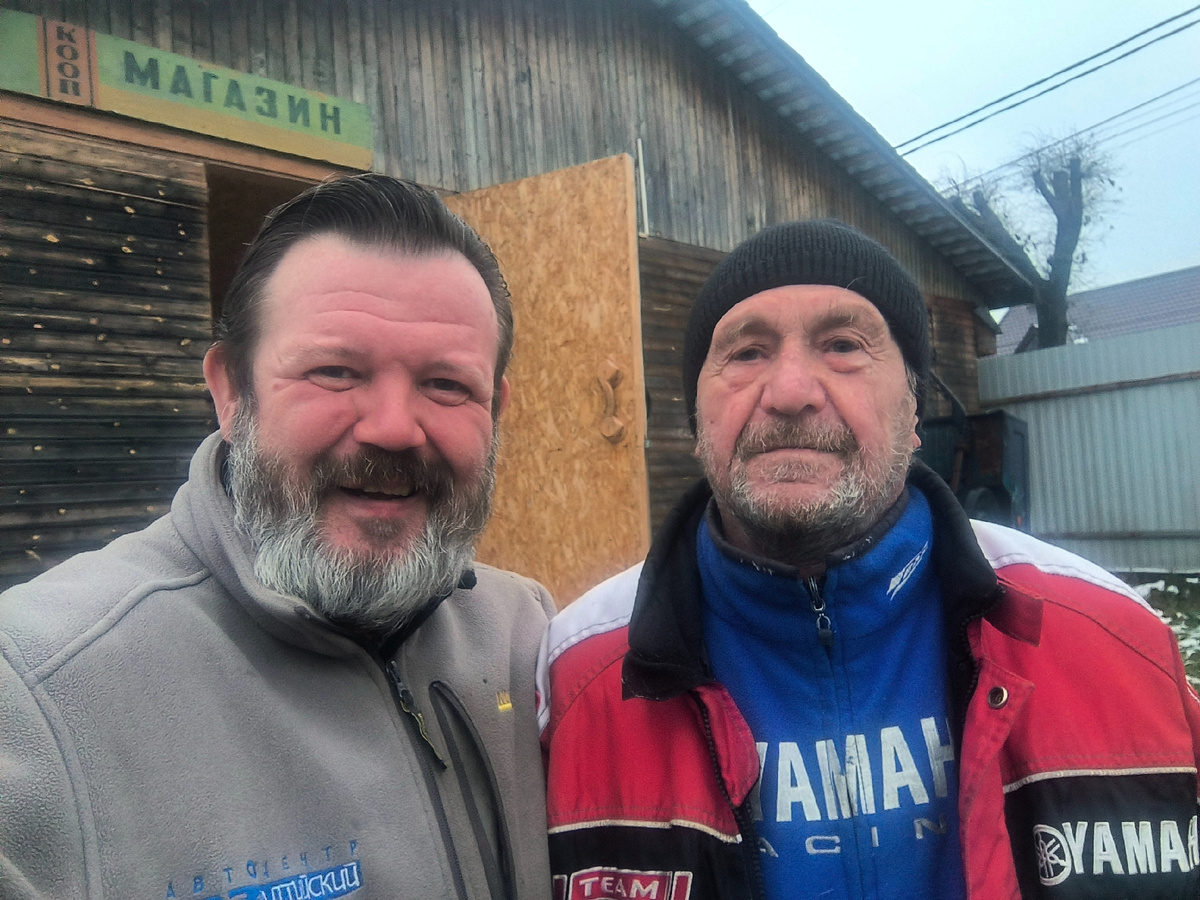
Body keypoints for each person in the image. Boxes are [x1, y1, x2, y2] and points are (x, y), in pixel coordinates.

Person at [538, 220, 1200, 899]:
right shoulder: (575, 680)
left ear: (913, 412)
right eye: (746, 353)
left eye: (843, 346)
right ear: (695, 421)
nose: (790, 391)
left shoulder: (1115, 641)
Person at [0, 175, 554, 900]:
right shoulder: (34, 697)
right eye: (335, 371)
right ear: (231, 392)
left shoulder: (530, 642)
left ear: (496, 410)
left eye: (447, 385)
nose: (393, 427)